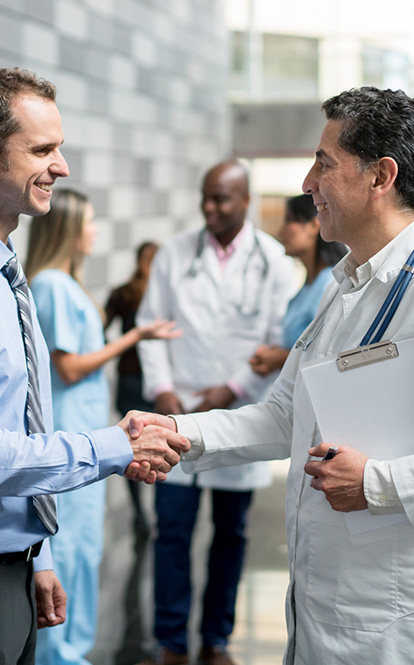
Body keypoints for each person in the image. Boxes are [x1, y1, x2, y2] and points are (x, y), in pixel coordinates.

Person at [134, 86, 414, 664]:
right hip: (319, 601)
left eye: (324, 163)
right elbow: (286, 413)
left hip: (385, 615)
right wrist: (178, 431)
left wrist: (378, 483)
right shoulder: (343, 290)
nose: (308, 183)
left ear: (380, 176)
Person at [0, 66, 189, 665]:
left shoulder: (13, 275)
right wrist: (114, 445)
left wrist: (37, 554)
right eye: (43, 149)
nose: (63, 166)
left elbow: (24, 417)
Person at [136, 159, 296, 665]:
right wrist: (162, 389)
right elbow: (150, 324)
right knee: (173, 534)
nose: (209, 207)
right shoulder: (174, 253)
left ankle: (216, 640)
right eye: (205, 197)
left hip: (239, 413)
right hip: (177, 414)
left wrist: (232, 389)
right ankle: (171, 642)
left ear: (245, 200)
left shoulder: (272, 260)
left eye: (220, 199)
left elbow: (277, 343)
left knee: (231, 536)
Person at [25, 191, 180, 665]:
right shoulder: (51, 284)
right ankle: (60, 655)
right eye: (89, 223)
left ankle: (74, 652)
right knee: (66, 554)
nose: (94, 231)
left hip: (90, 442)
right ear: (70, 230)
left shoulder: (67, 285)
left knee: (84, 551)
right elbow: (68, 368)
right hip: (71, 440)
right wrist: (133, 336)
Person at [105, 241, 159, 665]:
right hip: (136, 378)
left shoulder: (133, 292)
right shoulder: (133, 293)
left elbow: (103, 329)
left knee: (136, 442)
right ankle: (145, 505)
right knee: (138, 442)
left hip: (131, 377)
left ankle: (143, 508)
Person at [249, 194, 347, 375]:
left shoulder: (330, 283)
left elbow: (331, 357)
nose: (280, 232)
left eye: (289, 221)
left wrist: (281, 359)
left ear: (313, 225)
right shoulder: (308, 285)